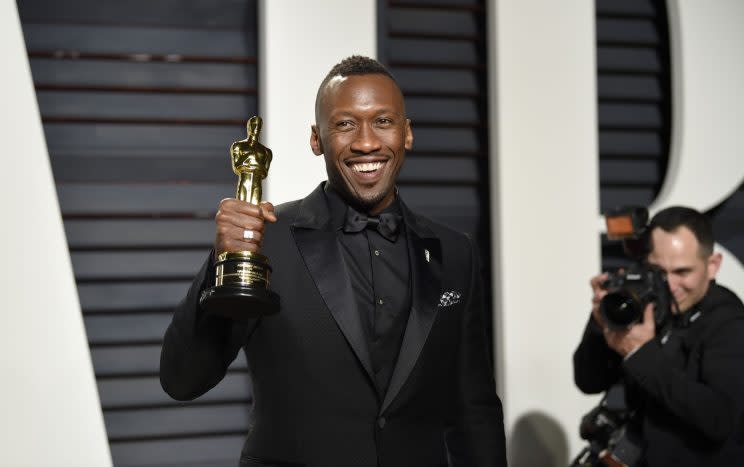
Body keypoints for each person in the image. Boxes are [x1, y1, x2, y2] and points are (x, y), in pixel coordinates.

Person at [160, 55, 507, 467]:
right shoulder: (265, 240)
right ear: (316, 139)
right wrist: (221, 262)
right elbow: (183, 379)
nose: (366, 142)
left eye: (383, 121)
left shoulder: (455, 253)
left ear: (407, 133)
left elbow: (474, 409)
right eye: (345, 124)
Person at [574, 206, 744, 466]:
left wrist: (640, 355)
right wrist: (600, 324)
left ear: (712, 265)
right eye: (657, 271)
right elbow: (588, 381)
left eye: (682, 272)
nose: (670, 285)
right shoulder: (647, 305)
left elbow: (720, 419)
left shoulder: (729, 322)